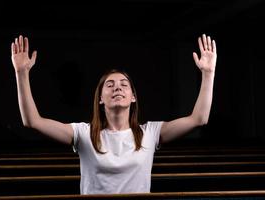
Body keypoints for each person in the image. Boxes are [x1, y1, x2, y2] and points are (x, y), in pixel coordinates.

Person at [11, 34, 216, 194]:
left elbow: (199, 118)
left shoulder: (150, 133)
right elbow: (32, 121)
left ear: (133, 97)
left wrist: (208, 73)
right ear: (100, 99)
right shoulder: (83, 134)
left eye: (124, 84)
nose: (117, 88)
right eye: (110, 85)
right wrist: (21, 73)